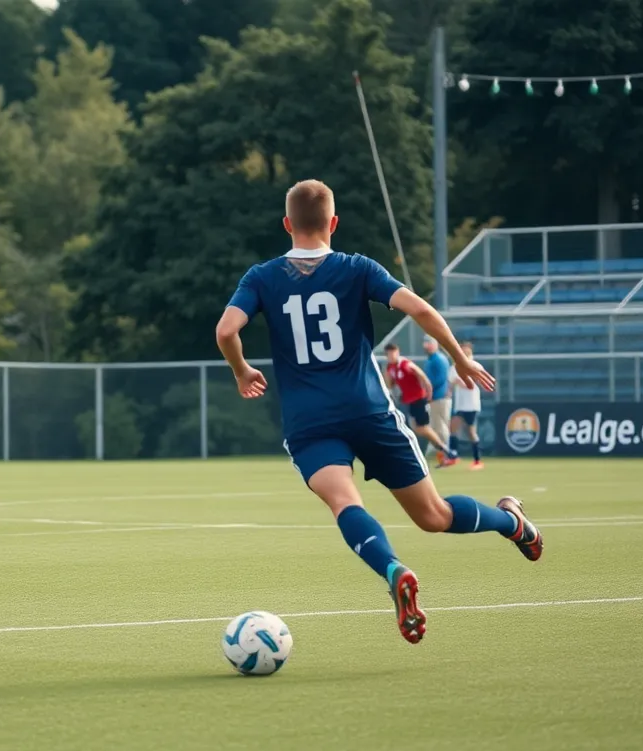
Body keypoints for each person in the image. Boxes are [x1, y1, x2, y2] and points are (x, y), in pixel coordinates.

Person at [215, 180, 542, 645]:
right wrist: (459, 357)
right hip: (369, 411)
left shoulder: (261, 277)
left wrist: (242, 370)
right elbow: (420, 309)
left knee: (345, 503)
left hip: (310, 422)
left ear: (287, 224)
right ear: (333, 223)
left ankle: (393, 569)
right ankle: (513, 524)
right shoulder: (357, 268)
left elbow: (227, 329)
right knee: (433, 516)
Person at [384, 343, 455, 467]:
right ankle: (442, 450)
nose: (392, 356)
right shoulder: (390, 367)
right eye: (389, 354)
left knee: (421, 428)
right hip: (409, 401)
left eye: (393, 353)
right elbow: (390, 385)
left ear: (398, 352)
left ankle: (444, 449)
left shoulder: (405, 364)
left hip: (418, 399)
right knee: (416, 428)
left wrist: (429, 391)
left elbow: (422, 376)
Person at [422, 336, 457, 466]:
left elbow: (439, 380)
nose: (426, 346)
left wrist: (426, 389)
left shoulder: (439, 359)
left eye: (429, 343)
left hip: (439, 398)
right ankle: (442, 457)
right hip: (434, 398)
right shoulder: (431, 360)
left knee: (441, 428)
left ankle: (447, 456)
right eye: (425, 343)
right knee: (437, 427)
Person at [448, 342, 484, 470]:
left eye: (466, 351)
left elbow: (472, 384)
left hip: (471, 405)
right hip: (459, 405)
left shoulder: (474, 366)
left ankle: (477, 460)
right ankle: (453, 456)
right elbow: (451, 383)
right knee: (452, 428)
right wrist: (449, 391)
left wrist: (461, 381)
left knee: (471, 432)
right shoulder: (454, 366)